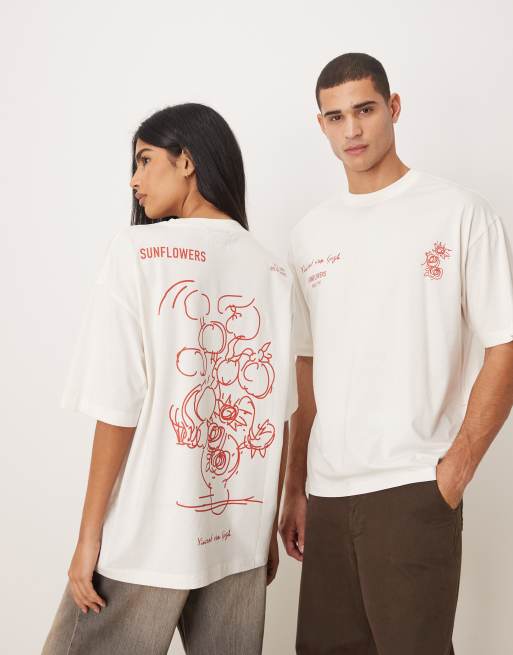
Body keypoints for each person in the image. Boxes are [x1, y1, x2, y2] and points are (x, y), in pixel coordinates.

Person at [42, 102, 297, 655]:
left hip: (146, 539)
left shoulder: (138, 253)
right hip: (238, 540)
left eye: (144, 160)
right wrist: (265, 524)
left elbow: (118, 405)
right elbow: (277, 411)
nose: (134, 181)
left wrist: (89, 538)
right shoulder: (274, 269)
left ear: (187, 161)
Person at [279, 52, 513, 655]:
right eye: (335, 117)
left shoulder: (458, 212)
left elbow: (505, 344)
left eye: (365, 110)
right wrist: (296, 486)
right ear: (321, 125)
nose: (351, 130)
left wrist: (454, 471)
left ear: (394, 107)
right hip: (328, 497)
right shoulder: (309, 235)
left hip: (413, 488)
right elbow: (308, 365)